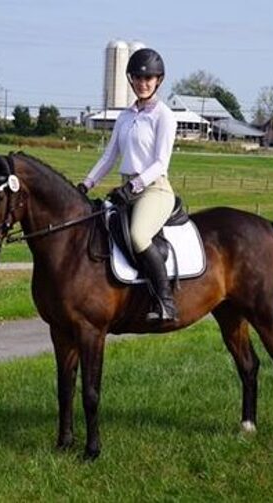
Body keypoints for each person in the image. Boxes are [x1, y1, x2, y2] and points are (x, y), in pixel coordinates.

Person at [77, 48, 178, 321]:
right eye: (137, 78)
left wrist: (134, 186)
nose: (143, 83)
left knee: (138, 236)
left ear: (158, 80)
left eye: (149, 78)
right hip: (127, 190)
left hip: (154, 189)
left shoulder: (164, 116)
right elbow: (109, 156)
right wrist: (86, 184)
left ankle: (166, 302)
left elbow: (160, 162)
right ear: (131, 80)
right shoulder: (124, 116)